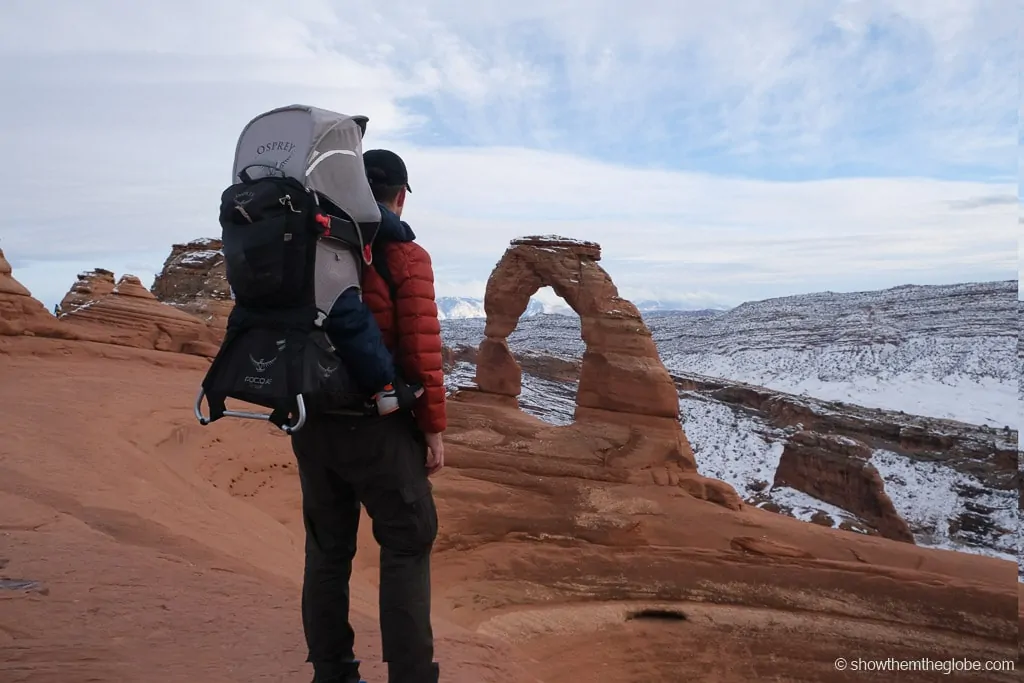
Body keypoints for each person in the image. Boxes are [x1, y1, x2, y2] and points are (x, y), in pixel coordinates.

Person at [289, 147, 446, 683]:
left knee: (327, 550)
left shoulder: (313, 243)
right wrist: (432, 430)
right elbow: (422, 351)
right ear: (399, 195)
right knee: (408, 540)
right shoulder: (404, 254)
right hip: (376, 422)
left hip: (311, 420)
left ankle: (332, 672)